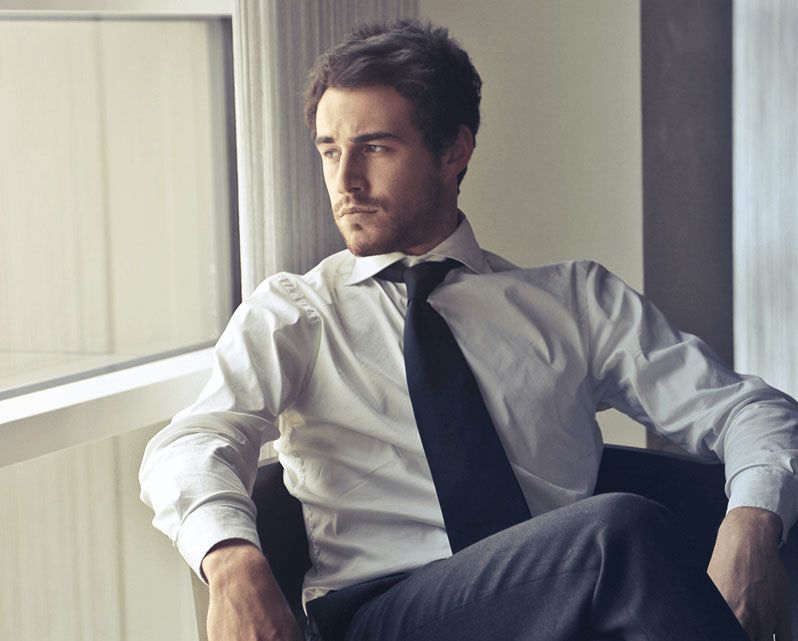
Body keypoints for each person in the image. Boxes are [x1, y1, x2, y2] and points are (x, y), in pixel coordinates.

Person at [140, 18, 797, 641]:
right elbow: (190, 443)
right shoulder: (298, 312)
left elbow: (754, 412)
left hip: (569, 602)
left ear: (455, 150)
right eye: (330, 149)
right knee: (618, 530)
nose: (345, 181)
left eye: (375, 148)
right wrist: (230, 560)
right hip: (388, 609)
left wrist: (751, 526)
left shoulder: (570, 301)